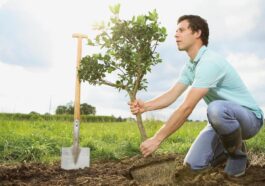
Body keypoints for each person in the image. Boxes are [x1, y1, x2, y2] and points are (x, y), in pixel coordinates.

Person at [129, 15, 264, 177]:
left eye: (181, 30)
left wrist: (157, 139)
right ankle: (233, 147)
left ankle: (236, 157)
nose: (176, 34)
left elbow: (187, 107)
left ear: (197, 33)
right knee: (192, 166)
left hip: (249, 119)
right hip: (220, 121)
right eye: (176, 31)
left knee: (216, 108)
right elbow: (173, 94)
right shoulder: (191, 65)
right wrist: (146, 106)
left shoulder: (209, 62)